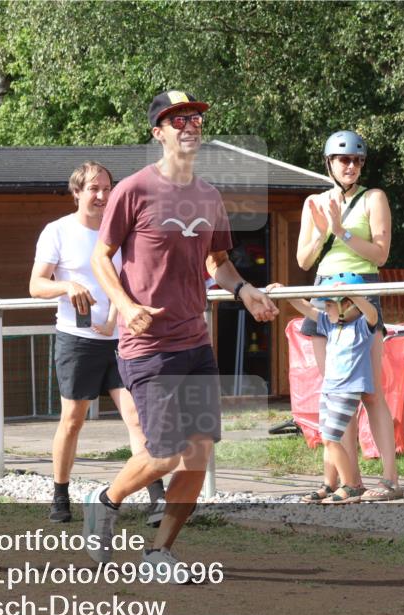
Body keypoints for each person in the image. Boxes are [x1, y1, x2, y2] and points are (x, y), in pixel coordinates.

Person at [85, 90, 279, 574]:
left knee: (197, 456)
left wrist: (245, 291)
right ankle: (104, 501)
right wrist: (126, 306)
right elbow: (99, 257)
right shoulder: (133, 189)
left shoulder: (210, 196)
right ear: (158, 133)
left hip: (196, 343)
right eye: (177, 120)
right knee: (165, 453)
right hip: (147, 346)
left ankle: (158, 552)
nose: (189, 126)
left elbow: (218, 263)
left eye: (194, 118)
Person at [29, 161, 164, 525]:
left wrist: (113, 318)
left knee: (137, 417)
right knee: (73, 420)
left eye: (107, 188)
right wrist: (67, 286)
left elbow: (130, 283)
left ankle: (156, 496)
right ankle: (60, 494)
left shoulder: (121, 232)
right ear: (77, 193)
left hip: (121, 338)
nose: (103, 195)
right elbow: (36, 285)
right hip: (77, 340)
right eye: (94, 188)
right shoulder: (57, 231)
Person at [294, 130, 402, 503]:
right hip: (325, 294)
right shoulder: (314, 202)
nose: (351, 166)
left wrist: (341, 232)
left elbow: (380, 254)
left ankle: (389, 479)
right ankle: (341, 479)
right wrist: (325, 233)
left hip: (361, 292)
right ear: (330, 164)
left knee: (370, 393)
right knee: (334, 393)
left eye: (356, 160)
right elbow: (304, 260)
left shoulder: (374, 198)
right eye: (344, 160)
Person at [281, 274, 394, 503]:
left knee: (332, 438)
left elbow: (371, 313)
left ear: (349, 305)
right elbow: (307, 309)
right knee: (327, 438)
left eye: (331, 304)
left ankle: (351, 484)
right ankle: (334, 483)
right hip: (330, 390)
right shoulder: (330, 324)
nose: (326, 309)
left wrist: (353, 294)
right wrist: (284, 292)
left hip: (346, 390)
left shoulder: (362, 327)